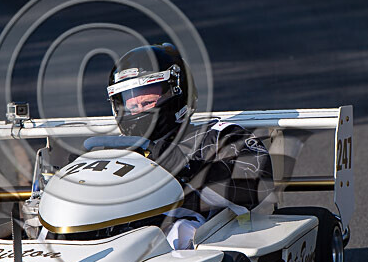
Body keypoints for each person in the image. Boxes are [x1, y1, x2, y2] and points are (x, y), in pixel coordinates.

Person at [106, 43, 273, 249]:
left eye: (148, 100)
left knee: (178, 233)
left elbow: (257, 183)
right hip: (116, 236)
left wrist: (192, 177)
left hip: (188, 237)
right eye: (132, 105)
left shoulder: (218, 136)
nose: (139, 109)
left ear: (177, 91)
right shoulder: (115, 151)